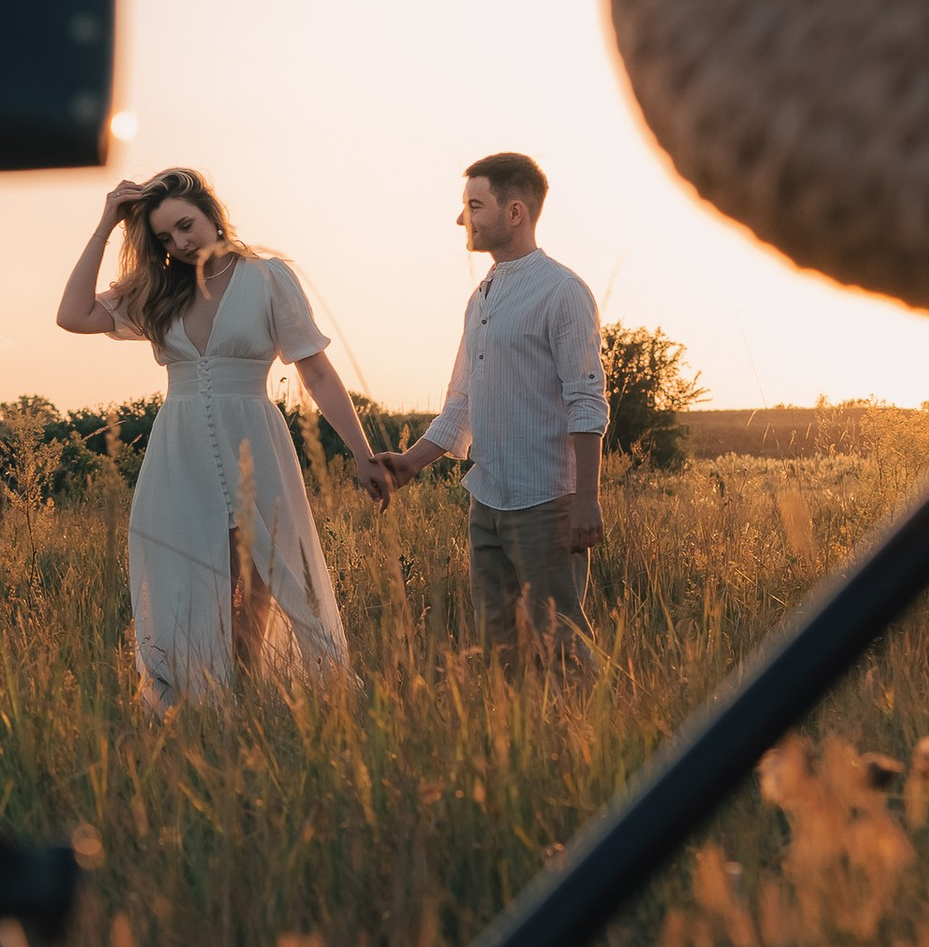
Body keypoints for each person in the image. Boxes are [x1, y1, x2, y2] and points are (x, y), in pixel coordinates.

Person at [57, 164, 391, 711]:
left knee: (259, 576)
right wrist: (106, 226)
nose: (180, 243)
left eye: (186, 225)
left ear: (213, 214)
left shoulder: (269, 277)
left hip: (253, 442)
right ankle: (195, 703)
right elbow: (73, 315)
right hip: (178, 451)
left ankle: (243, 697)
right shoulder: (154, 289)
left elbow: (319, 372)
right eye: (165, 237)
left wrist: (362, 453)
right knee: (185, 577)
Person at [380, 152, 606, 665]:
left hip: (547, 502)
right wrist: (408, 465)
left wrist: (586, 500)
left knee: (563, 645)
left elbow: (587, 401)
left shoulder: (562, 291)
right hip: (487, 502)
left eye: (474, 205)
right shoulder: (480, 297)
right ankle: (524, 744)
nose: (462, 218)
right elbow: (461, 403)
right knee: (501, 647)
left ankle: (595, 740)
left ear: (515, 212)